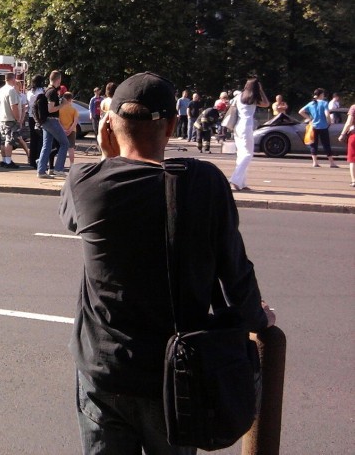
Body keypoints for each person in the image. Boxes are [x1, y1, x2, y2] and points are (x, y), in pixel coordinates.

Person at [59, 71, 275, 455]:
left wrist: (113, 155)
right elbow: (235, 272)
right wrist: (258, 320)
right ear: (173, 125)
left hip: (103, 370)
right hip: (175, 376)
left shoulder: (85, 181)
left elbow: (74, 217)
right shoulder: (204, 182)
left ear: (109, 123)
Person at [229, 78, 270, 191]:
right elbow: (266, 104)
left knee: (241, 154)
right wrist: (261, 90)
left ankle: (241, 183)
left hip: (237, 126)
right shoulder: (253, 98)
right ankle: (235, 179)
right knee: (248, 154)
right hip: (247, 127)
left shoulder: (239, 96)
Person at [37, 70, 70, 179]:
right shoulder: (52, 92)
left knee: (46, 146)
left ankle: (41, 171)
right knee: (65, 143)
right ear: (58, 79)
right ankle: (58, 169)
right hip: (52, 120)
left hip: (46, 121)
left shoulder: (47, 90)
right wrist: (63, 105)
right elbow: (51, 109)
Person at [299, 88, 339, 169]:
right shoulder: (324, 103)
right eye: (323, 94)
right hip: (323, 126)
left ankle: (315, 162)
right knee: (326, 144)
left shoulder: (311, 103)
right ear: (321, 95)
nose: (324, 96)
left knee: (313, 144)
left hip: (313, 126)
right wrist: (329, 122)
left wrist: (310, 119)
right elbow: (327, 114)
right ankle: (331, 163)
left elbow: (300, 111)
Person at [0, 74, 21, 169]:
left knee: (3, 140)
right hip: (10, 118)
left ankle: (4, 160)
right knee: (9, 140)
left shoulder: (1, 90)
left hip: (2, 118)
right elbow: (13, 106)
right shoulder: (11, 90)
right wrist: (17, 117)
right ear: (13, 79)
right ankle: (8, 161)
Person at [26, 75, 47, 169]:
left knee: (33, 139)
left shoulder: (29, 92)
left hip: (31, 116)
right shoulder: (42, 91)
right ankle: (39, 159)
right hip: (39, 117)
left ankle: (31, 160)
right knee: (41, 140)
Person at [337, 104, 355, 187]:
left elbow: (348, 123)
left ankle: (354, 180)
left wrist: (342, 134)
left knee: (353, 160)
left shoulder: (353, 107)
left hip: (354, 135)